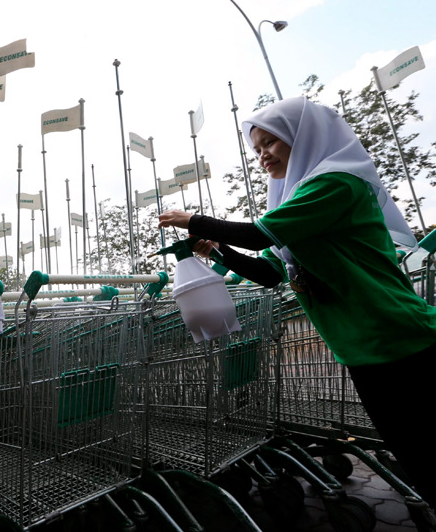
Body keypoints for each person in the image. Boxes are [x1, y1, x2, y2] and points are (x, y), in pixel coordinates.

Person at [158, 96, 436, 506]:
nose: (262, 156)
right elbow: (270, 272)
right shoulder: (295, 202)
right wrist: (217, 251)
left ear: (301, 136)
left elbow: (256, 235)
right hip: (361, 346)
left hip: (397, 335)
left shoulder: (336, 183)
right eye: (256, 149)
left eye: (270, 142)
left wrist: (191, 219)